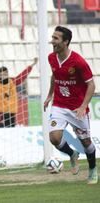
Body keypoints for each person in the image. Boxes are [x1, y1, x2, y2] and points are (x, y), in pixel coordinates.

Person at [44, 26, 97, 184]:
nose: (52, 41)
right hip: (59, 105)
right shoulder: (51, 58)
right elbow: (55, 76)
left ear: (65, 42)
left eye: (56, 38)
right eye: (52, 37)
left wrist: (83, 106)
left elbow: (92, 85)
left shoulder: (78, 62)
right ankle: (72, 154)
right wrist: (49, 95)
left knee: (86, 142)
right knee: (54, 138)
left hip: (77, 109)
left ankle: (93, 170)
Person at [0, 57, 38, 128]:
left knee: (11, 128)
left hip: (11, 110)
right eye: (2, 74)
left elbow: (23, 75)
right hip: (1, 110)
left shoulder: (13, 82)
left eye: (5, 73)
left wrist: (32, 65)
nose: (3, 75)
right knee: (1, 127)